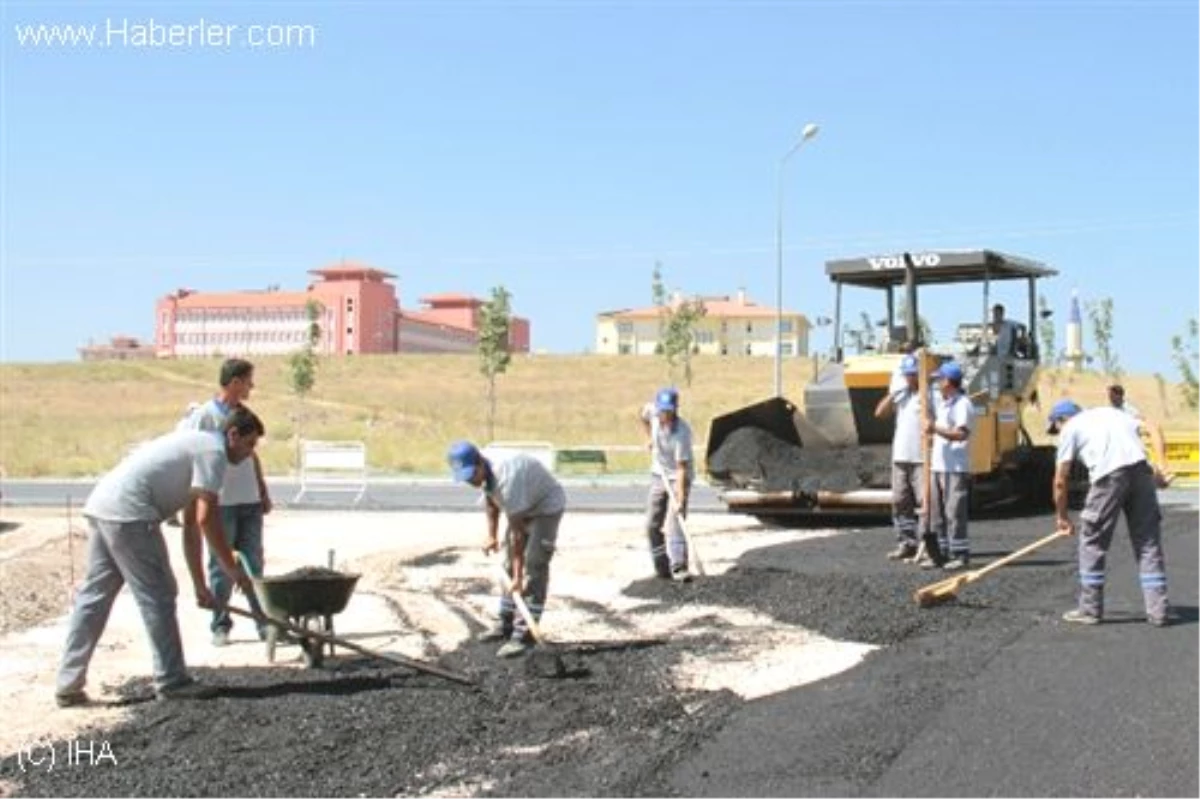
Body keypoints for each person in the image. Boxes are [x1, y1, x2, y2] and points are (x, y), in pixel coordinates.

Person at [55, 407, 266, 707]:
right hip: (131, 513)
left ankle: (68, 684)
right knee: (158, 595)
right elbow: (208, 520)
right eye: (249, 444)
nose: (249, 454)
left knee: (95, 597)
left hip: (104, 506)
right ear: (233, 434)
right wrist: (232, 570)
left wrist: (200, 585)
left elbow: (191, 524)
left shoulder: (199, 444)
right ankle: (171, 680)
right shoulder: (214, 453)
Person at [1047, 399, 1175, 626]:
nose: (1057, 433)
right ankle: (1159, 611)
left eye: (1055, 428)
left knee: (1092, 541)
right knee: (1148, 542)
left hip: (1108, 477)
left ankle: (1090, 609)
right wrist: (1162, 466)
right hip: (1141, 472)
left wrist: (1062, 516)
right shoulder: (1114, 414)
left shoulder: (1070, 428)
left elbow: (1060, 479)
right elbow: (1154, 427)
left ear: (1061, 420)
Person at [179, 358, 273, 646]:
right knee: (222, 564)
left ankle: (264, 623)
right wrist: (192, 502)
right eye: (248, 381)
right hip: (219, 503)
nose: (251, 387)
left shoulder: (245, 416)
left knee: (254, 562)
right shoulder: (204, 417)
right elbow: (189, 456)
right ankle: (221, 623)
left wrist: (262, 490)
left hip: (248, 500)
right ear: (234, 382)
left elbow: (253, 456)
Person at [448, 441, 567, 659]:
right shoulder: (485, 469)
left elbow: (518, 534)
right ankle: (505, 623)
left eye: (471, 475)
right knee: (506, 565)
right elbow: (491, 500)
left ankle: (525, 634)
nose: (470, 482)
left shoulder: (507, 478)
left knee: (534, 565)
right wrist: (491, 535)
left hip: (545, 508)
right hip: (521, 504)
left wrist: (519, 576)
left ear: (480, 464)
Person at [875, 354, 930, 561]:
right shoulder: (902, 396)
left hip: (921, 457)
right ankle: (907, 542)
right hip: (901, 456)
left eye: (913, 375)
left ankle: (927, 544)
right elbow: (879, 413)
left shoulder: (927, 395)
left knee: (924, 502)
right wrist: (893, 393)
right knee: (900, 501)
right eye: (907, 375)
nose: (909, 378)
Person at [921, 361, 974, 570]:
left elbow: (962, 434)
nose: (937, 383)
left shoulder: (963, 405)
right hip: (938, 465)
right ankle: (941, 552)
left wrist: (935, 429)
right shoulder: (944, 404)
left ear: (949, 382)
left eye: (939, 380)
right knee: (937, 512)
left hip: (955, 467)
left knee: (954, 511)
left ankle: (959, 554)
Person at [638, 387, 695, 581]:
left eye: (669, 411)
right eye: (663, 411)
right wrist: (648, 438)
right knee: (652, 524)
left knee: (674, 523)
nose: (665, 415)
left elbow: (681, 468)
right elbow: (642, 415)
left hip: (679, 476)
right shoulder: (652, 413)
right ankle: (661, 567)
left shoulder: (682, 433)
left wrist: (680, 498)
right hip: (658, 474)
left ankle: (679, 566)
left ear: (675, 409)